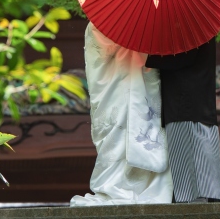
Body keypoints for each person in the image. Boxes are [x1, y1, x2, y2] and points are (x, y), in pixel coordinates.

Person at [69, 23, 173, 206]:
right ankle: (115, 187)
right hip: (115, 86)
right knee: (115, 132)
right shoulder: (100, 22)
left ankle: (146, 187)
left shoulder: (144, 20)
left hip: (141, 82)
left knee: (145, 130)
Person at [145, 38, 220, 203]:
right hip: (196, 100)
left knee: (189, 154)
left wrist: (148, 58)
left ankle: (196, 200)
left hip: (185, 101)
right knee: (201, 149)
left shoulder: (190, 30)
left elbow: (181, 58)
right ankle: (205, 198)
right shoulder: (202, 28)